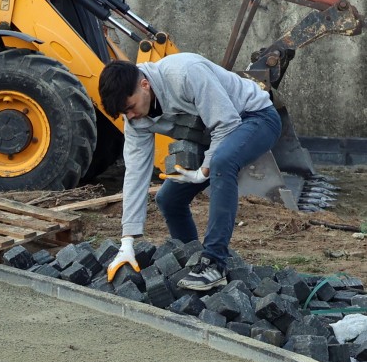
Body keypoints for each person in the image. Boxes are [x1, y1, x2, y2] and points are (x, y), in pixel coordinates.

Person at [98, 54, 281, 292]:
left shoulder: (185, 73)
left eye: (130, 107)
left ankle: (214, 263)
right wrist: (127, 241)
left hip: (254, 118)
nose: (130, 116)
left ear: (145, 84)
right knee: (168, 199)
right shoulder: (134, 120)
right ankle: (191, 260)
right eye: (125, 113)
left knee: (222, 163)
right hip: (210, 133)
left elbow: (226, 123)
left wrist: (204, 169)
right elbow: (135, 174)